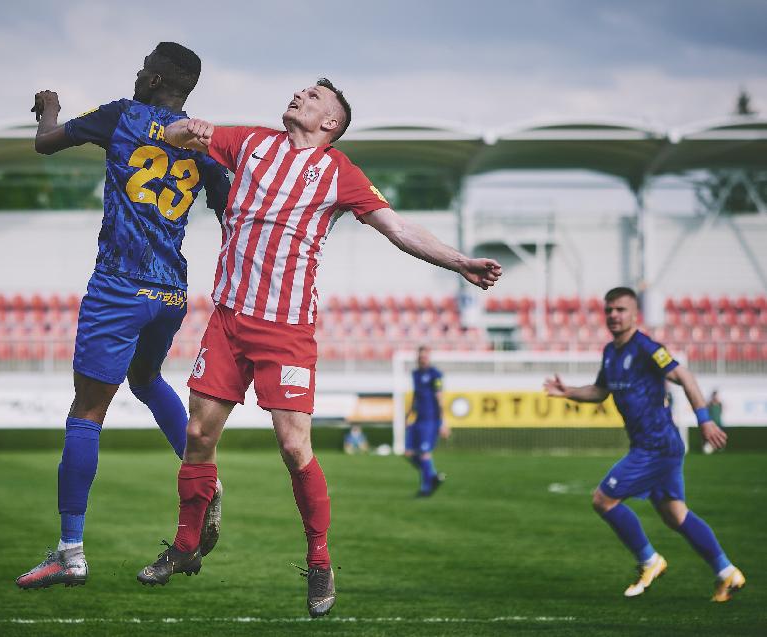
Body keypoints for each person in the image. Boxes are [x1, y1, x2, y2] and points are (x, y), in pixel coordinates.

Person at [134, 78, 502, 617]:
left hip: (285, 330)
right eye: (300, 92)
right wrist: (185, 128)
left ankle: (319, 560)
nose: (298, 97)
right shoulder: (250, 141)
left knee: (293, 447)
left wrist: (460, 261)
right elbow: (179, 136)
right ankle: (187, 546)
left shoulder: (338, 172)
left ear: (330, 122)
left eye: (313, 97)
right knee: (197, 434)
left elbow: (398, 228)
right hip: (228, 319)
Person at [15, 42, 231, 590]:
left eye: (143, 69)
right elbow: (229, 209)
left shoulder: (123, 115)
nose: (137, 74)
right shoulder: (204, 144)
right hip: (171, 291)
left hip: (119, 283)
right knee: (147, 378)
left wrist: (49, 107)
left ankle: (70, 552)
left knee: (87, 413)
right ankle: (203, 476)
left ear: (155, 79)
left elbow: (45, 143)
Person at [543, 287, 745, 602]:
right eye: (609, 310)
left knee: (603, 500)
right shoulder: (610, 352)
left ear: (634, 314)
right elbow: (599, 391)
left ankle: (650, 561)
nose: (613, 315)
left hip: (656, 445)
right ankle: (727, 572)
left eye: (620, 309)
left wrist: (704, 420)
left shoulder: (647, 348)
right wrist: (567, 391)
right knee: (675, 515)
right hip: (653, 445)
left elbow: (685, 376)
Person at [405, 346, 450, 497]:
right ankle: (433, 476)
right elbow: (416, 395)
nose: (422, 359)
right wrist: (409, 414)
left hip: (430, 420)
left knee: (424, 453)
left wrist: (443, 422)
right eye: (420, 357)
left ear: (429, 358)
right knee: (408, 452)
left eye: (425, 357)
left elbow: (440, 398)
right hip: (418, 419)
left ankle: (426, 488)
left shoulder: (435, 375)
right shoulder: (415, 374)